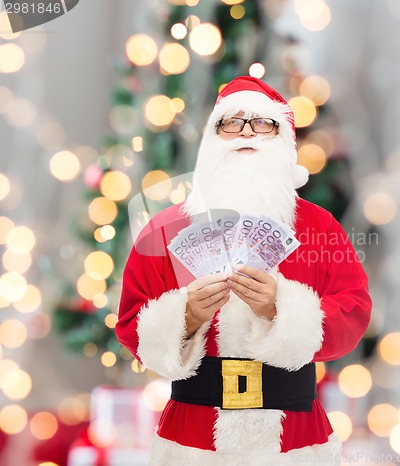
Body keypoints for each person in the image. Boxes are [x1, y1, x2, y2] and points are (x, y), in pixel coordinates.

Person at [116, 76, 372, 465]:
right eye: (232, 122)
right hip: (192, 438)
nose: (246, 133)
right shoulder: (165, 229)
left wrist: (281, 310)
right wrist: (186, 317)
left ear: (282, 138)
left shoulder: (319, 227)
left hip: (294, 438)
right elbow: (131, 323)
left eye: (262, 123)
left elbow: (353, 313)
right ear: (213, 137)